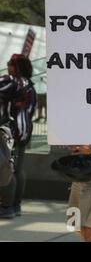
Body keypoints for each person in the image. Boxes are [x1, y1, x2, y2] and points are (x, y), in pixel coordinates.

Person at [0, 54, 37, 219]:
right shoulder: (30, 85)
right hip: (24, 133)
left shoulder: (14, 82)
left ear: (17, 67)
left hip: (12, 133)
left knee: (7, 170)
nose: (7, 66)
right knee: (18, 170)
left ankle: (7, 206)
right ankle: (15, 206)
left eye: (10, 64)